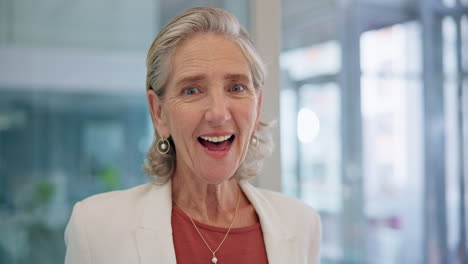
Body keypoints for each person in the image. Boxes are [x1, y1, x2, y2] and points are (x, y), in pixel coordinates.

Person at [64, 6, 321, 264]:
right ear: (159, 113)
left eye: (236, 87)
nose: (218, 114)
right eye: (191, 90)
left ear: (257, 105)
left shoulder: (301, 225)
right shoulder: (96, 228)